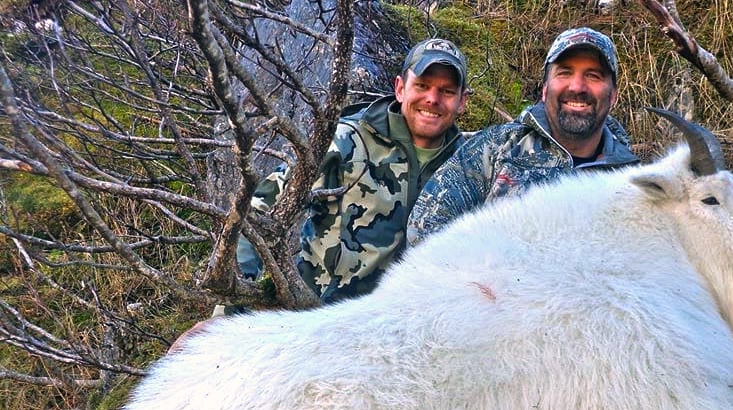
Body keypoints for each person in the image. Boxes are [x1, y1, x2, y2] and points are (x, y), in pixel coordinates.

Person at [239, 38, 470, 303]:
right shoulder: (344, 139)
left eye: (447, 91)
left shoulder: (469, 166)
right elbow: (258, 210)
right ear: (400, 88)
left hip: (408, 331)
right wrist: (231, 306)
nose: (432, 99)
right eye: (422, 85)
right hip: (317, 319)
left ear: (462, 101)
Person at [407, 27, 638, 246]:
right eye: (565, 72)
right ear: (545, 89)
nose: (577, 86)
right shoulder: (494, 150)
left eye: (594, 76)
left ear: (613, 95)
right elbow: (424, 231)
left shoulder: (631, 183)